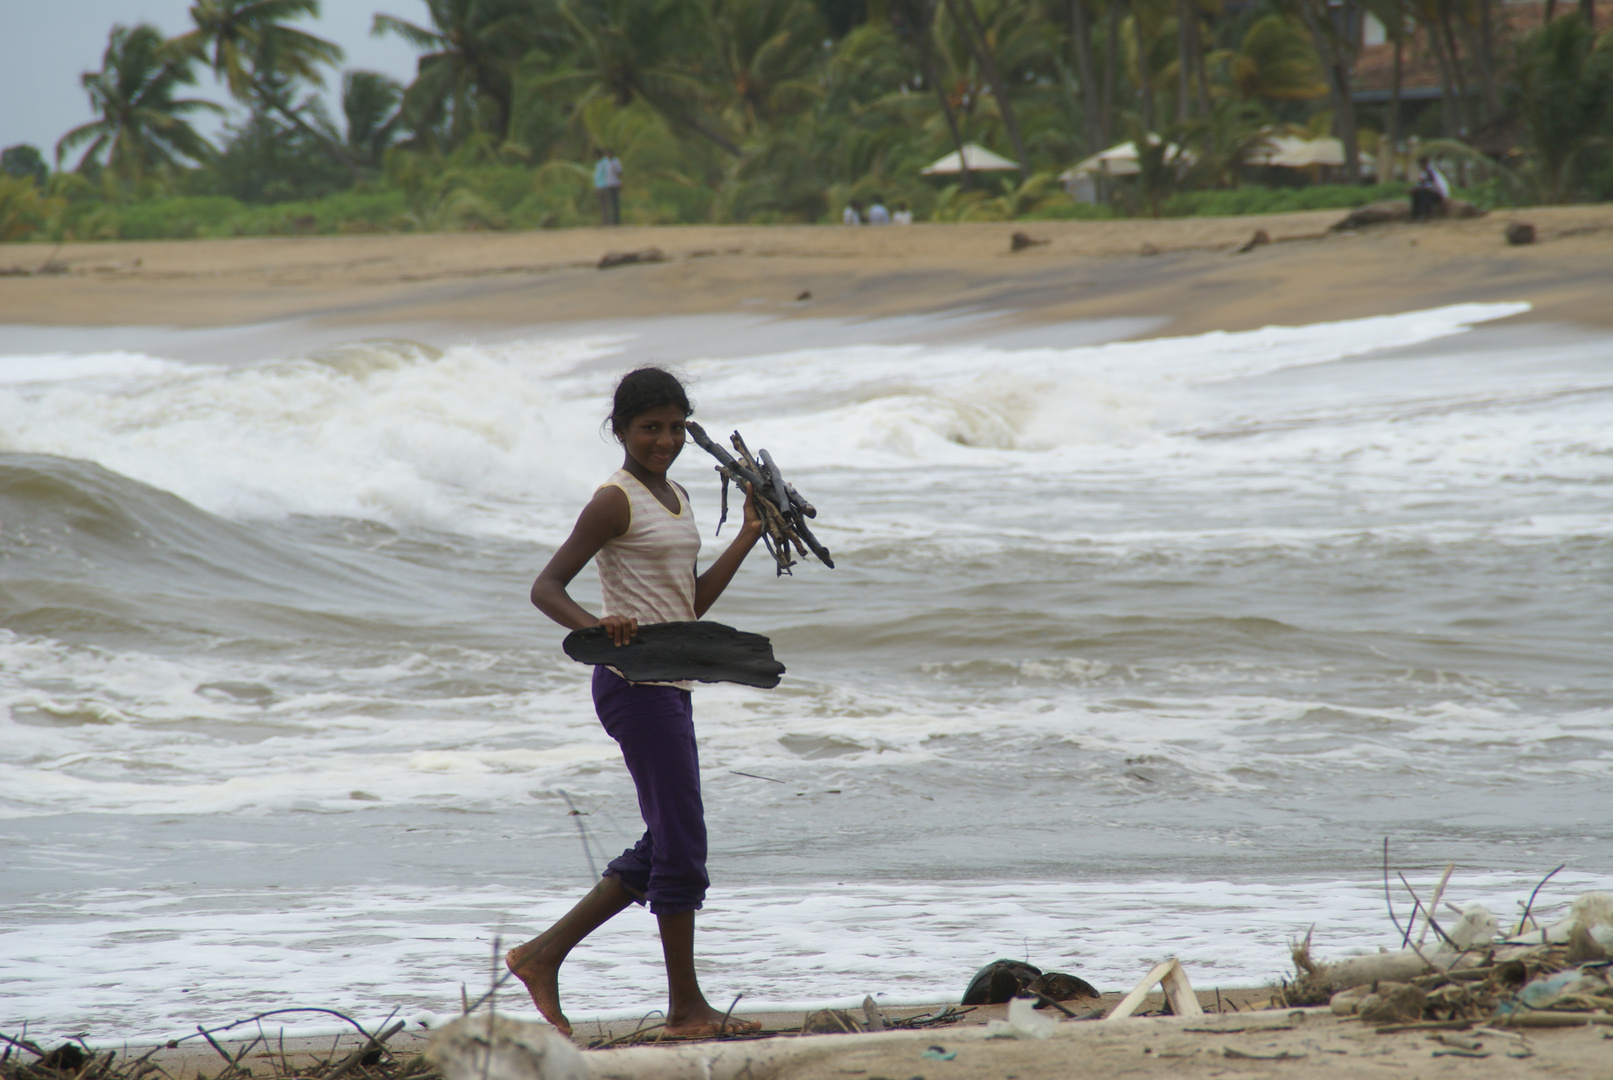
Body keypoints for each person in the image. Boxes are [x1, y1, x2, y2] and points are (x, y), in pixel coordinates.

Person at [506, 367, 766, 1040]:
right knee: (682, 848)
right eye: (650, 427)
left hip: (671, 684)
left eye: (676, 427)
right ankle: (685, 1009)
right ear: (619, 429)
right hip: (631, 685)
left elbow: (688, 606)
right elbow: (546, 585)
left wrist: (745, 534)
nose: (665, 440)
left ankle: (541, 955)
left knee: (670, 840)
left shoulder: (675, 495)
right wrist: (595, 627)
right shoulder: (612, 500)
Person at [1410, 156, 1449, 222]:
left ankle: (1427, 214)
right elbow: (1420, 184)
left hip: (1439, 194)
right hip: (1432, 192)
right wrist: (1413, 189)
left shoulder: (1431, 172)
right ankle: (1415, 215)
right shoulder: (1424, 173)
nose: (1422, 166)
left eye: (1423, 164)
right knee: (1416, 193)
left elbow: (1428, 186)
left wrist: (1417, 189)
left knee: (1424, 193)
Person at [593, 149, 613, 227]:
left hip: (605, 186)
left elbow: (607, 174)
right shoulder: (598, 163)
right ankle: (605, 220)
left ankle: (609, 221)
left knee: (607, 204)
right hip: (599, 186)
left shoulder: (605, 163)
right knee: (602, 204)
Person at [605, 149, 623, 225]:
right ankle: (611, 220)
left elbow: (620, 173)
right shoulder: (606, 162)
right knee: (610, 203)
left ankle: (616, 220)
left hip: (615, 184)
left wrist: (620, 182)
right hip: (609, 184)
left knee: (615, 203)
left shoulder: (616, 162)